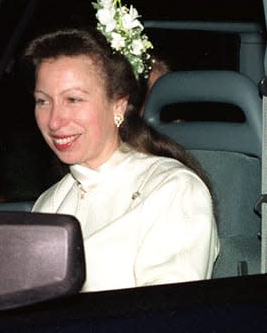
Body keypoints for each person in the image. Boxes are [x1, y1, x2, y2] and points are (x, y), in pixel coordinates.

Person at [24, 27, 219, 292]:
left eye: (73, 99)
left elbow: (167, 318)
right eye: (43, 101)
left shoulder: (173, 191)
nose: (55, 121)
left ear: (117, 105)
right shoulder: (50, 203)